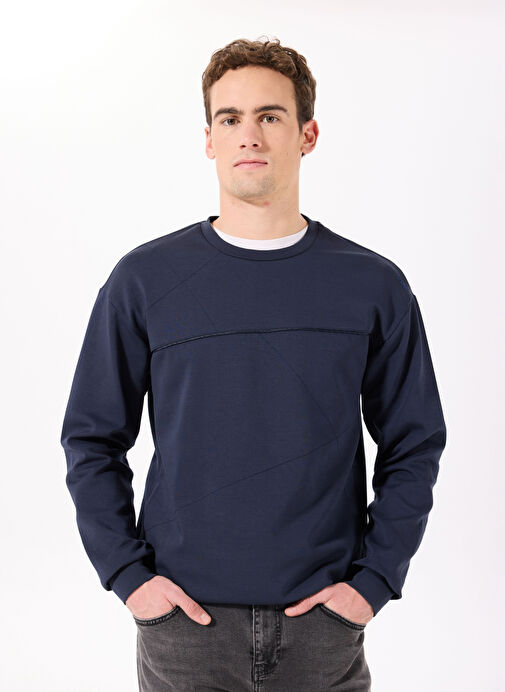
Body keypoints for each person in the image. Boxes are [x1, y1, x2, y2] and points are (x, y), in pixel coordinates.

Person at [61, 36, 447, 691]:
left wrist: (374, 582)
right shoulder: (144, 280)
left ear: (307, 134)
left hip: (323, 629)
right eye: (230, 118)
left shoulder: (372, 285)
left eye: (270, 116)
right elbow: (91, 438)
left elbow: (414, 442)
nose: (250, 135)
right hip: (184, 629)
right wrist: (129, 578)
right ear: (209, 139)